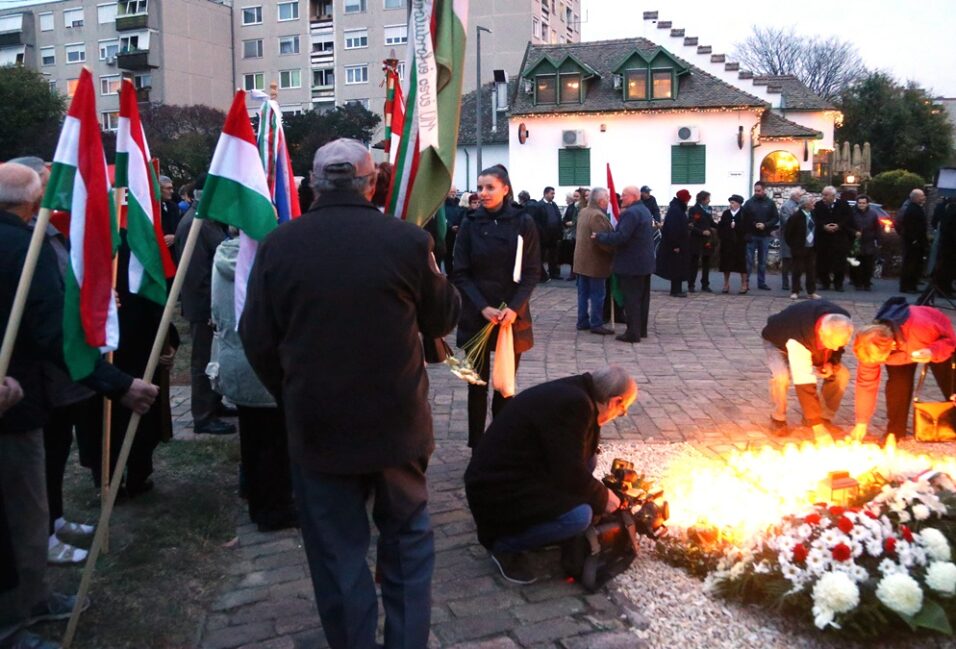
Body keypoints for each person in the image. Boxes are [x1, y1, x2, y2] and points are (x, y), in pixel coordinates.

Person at [239, 139, 461, 649]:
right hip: (396, 426)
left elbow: (257, 339)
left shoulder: (279, 244)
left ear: (313, 183)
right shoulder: (406, 241)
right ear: (373, 182)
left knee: (337, 556)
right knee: (406, 545)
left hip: (318, 426)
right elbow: (445, 317)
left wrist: (292, 393)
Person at [0, 163, 157, 649]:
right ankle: (14, 622)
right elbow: (54, 335)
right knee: (22, 515)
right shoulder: (24, 250)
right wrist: (118, 384)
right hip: (15, 406)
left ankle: (35, 598)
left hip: (20, 393)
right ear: (32, 201)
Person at [464, 366, 637, 583]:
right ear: (615, 401)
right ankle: (504, 545)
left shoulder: (580, 393)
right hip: (497, 490)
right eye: (623, 411)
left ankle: (540, 525)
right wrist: (603, 497)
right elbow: (569, 471)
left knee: (589, 461)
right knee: (578, 518)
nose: (618, 416)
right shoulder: (575, 405)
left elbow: (568, 460)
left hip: (517, 472)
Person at [209, 238, 296, 532]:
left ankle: (253, 490)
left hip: (235, 358)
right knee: (272, 441)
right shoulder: (262, 266)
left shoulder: (223, 255)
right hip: (261, 362)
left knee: (253, 435)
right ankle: (272, 509)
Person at [453, 165, 540, 448]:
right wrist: (482, 307)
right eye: (480, 187)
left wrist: (514, 308)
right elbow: (461, 272)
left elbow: (531, 272)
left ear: (505, 188)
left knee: (505, 387)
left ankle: (499, 445)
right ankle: (477, 445)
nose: (484, 193)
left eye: (490, 187)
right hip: (477, 315)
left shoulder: (523, 222)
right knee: (476, 385)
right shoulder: (470, 223)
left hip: (510, 317)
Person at [174, 175, 236, 436]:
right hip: (203, 306)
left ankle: (214, 403)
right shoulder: (196, 224)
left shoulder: (208, 221)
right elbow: (197, 273)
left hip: (210, 304)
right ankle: (203, 416)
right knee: (202, 360)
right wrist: (211, 308)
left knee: (214, 357)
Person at [852, 298, 955, 442]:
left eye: (879, 360)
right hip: (903, 347)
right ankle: (895, 432)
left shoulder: (921, 329)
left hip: (932, 339)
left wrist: (932, 352)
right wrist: (861, 422)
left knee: (951, 381)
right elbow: (866, 383)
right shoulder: (868, 346)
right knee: (898, 385)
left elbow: (950, 341)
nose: (876, 364)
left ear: (892, 345)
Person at [761, 300, 853, 437]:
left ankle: (823, 417)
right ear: (822, 333)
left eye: (838, 345)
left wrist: (831, 362)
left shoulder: (841, 321)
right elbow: (804, 383)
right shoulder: (799, 338)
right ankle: (778, 418)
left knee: (842, 374)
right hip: (778, 342)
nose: (835, 348)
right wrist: (817, 427)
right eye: (832, 344)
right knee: (782, 376)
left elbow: (837, 348)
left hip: (813, 344)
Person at [594, 186, 656, 343]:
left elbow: (621, 236)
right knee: (642, 299)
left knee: (631, 299)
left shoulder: (631, 213)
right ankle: (640, 329)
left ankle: (633, 333)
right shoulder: (644, 210)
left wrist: (600, 236)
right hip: (644, 263)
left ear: (634, 196)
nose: (621, 198)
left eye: (624, 195)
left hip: (631, 264)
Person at [572, 188, 614, 335]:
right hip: (594, 261)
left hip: (582, 261)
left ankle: (582, 321)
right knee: (597, 294)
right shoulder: (597, 216)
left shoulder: (584, 211)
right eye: (607, 198)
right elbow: (601, 240)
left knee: (583, 293)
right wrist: (613, 251)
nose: (609, 201)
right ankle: (596, 323)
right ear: (601, 200)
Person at [813, 186, 856, 292]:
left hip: (839, 239)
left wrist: (839, 226)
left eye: (826, 195)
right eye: (823, 194)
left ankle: (838, 284)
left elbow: (849, 218)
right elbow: (815, 219)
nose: (823, 197)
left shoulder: (843, 204)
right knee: (823, 262)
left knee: (840, 263)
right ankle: (825, 283)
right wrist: (824, 226)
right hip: (823, 239)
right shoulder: (818, 205)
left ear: (833, 195)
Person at [742, 181, 779, 291]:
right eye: (755, 191)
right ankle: (746, 282)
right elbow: (744, 217)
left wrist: (766, 225)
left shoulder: (770, 203)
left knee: (762, 261)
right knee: (749, 261)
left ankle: (761, 283)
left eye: (759, 191)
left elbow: (775, 218)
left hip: (764, 236)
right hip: (752, 235)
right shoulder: (749, 203)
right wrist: (754, 224)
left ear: (764, 190)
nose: (757, 192)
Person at [784, 194, 821, 300]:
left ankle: (811, 292)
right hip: (799, 248)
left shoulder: (813, 215)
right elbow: (788, 233)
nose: (814, 204)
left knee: (811, 270)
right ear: (806, 205)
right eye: (811, 202)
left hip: (811, 247)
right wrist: (794, 246)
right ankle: (795, 291)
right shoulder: (796, 217)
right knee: (797, 270)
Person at [656, 189, 692, 297]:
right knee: (676, 267)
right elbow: (673, 229)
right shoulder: (676, 210)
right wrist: (676, 245)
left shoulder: (677, 209)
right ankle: (676, 290)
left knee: (678, 267)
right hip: (675, 245)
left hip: (678, 244)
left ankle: (677, 289)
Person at [717, 194, 750, 294]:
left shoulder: (744, 213)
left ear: (738, 204)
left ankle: (744, 284)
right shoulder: (726, 213)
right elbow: (721, 226)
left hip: (739, 243)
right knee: (726, 264)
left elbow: (747, 228)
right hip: (727, 243)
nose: (731, 205)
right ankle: (726, 284)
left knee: (741, 264)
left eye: (733, 203)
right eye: (730, 203)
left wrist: (737, 226)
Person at [898, 189, 928, 293]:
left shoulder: (916, 208)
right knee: (910, 264)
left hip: (916, 241)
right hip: (913, 242)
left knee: (915, 265)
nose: (924, 198)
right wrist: (914, 240)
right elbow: (909, 226)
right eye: (922, 196)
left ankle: (912, 285)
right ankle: (907, 286)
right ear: (916, 197)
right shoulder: (912, 209)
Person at [849, 194, 881, 291]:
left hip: (869, 242)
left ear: (867, 204)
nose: (861, 205)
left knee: (868, 264)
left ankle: (866, 283)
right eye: (860, 203)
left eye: (864, 203)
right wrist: (854, 232)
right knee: (856, 264)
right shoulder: (852, 213)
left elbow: (877, 228)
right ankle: (857, 283)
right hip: (856, 242)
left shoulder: (873, 214)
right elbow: (847, 226)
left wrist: (879, 240)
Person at [533, 186, 564, 281]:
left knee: (553, 255)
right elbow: (537, 221)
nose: (553, 195)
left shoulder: (553, 205)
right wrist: (541, 233)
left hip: (554, 235)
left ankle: (553, 272)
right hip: (543, 236)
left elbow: (558, 218)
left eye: (554, 194)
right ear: (545, 193)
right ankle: (540, 274)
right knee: (541, 255)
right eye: (552, 193)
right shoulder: (539, 205)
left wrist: (559, 231)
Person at [687, 190, 716, 292]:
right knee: (694, 262)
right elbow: (691, 225)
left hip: (707, 240)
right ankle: (691, 284)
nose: (709, 201)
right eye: (708, 199)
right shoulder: (693, 210)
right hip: (696, 239)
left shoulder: (709, 209)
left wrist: (721, 226)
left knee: (706, 262)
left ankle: (705, 284)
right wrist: (701, 232)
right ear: (702, 200)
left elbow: (711, 222)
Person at [778, 188, 804, 292]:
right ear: (794, 196)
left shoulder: (800, 206)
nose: (800, 197)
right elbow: (786, 222)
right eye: (799, 196)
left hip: (798, 238)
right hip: (787, 237)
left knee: (797, 262)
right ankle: (785, 284)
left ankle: (797, 284)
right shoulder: (786, 206)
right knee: (787, 261)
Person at [443, 187, 464, 276]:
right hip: (447, 233)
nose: (453, 193)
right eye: (451, 192)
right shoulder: (442, 204)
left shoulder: (459, 203)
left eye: (455, 191)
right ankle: (449, 273)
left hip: (459, 233)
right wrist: (450, 226)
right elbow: (443, 218)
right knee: (448, 254)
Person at [561, 190, 580, 281]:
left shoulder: (582, 207)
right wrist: (566, 223)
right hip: (571, 234)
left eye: (577, 196)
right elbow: (564, 219)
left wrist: (574, 223)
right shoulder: (570, 207)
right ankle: (572, 273)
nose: (575, 198)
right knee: (571, 254)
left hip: (579, 233)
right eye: (574, 196)